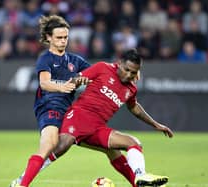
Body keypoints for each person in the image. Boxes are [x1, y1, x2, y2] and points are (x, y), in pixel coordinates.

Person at [10, 15, 139, 187]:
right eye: (59, 38)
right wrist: (62, 87)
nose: (63, 41)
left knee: (111, 149)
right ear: (49, 38)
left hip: (71, 112)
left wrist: (130, 71)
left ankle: (138, 183)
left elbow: (104, 73)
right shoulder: (45, 58)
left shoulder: (75, 61)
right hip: (50, 107)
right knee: (50, 144)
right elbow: (45, 83)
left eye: (65, 37)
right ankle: (22, 183)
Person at [49, 49, 173, 187]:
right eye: (127, 70)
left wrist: (156, 124)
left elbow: (134, 107)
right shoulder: (103, 67)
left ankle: (140, 177)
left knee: (128, 145)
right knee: (62, 146)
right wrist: (77, 81)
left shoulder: (131, 89)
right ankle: (24, 179)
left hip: (96, 128)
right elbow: (73, 81)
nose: (129, 75)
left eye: (133, 72)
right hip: (78, 120)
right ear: (119, 63)